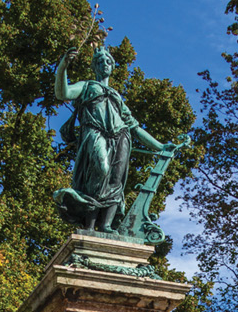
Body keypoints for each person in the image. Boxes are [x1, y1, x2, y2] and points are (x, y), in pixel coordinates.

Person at [53, 45, 176, 232]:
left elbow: (135, 128)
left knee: (116, 179)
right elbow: (63, 93)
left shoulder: (117, 97)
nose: (105, 64)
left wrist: (160, 146)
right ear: (95, 66)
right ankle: (90, 224)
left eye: (108, 61)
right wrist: (63, 67)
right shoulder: (87, 86)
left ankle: (106, 224)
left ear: (112, 66)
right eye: (100, 61)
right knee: (100, 171)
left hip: (121, 137)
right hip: (95, 132)